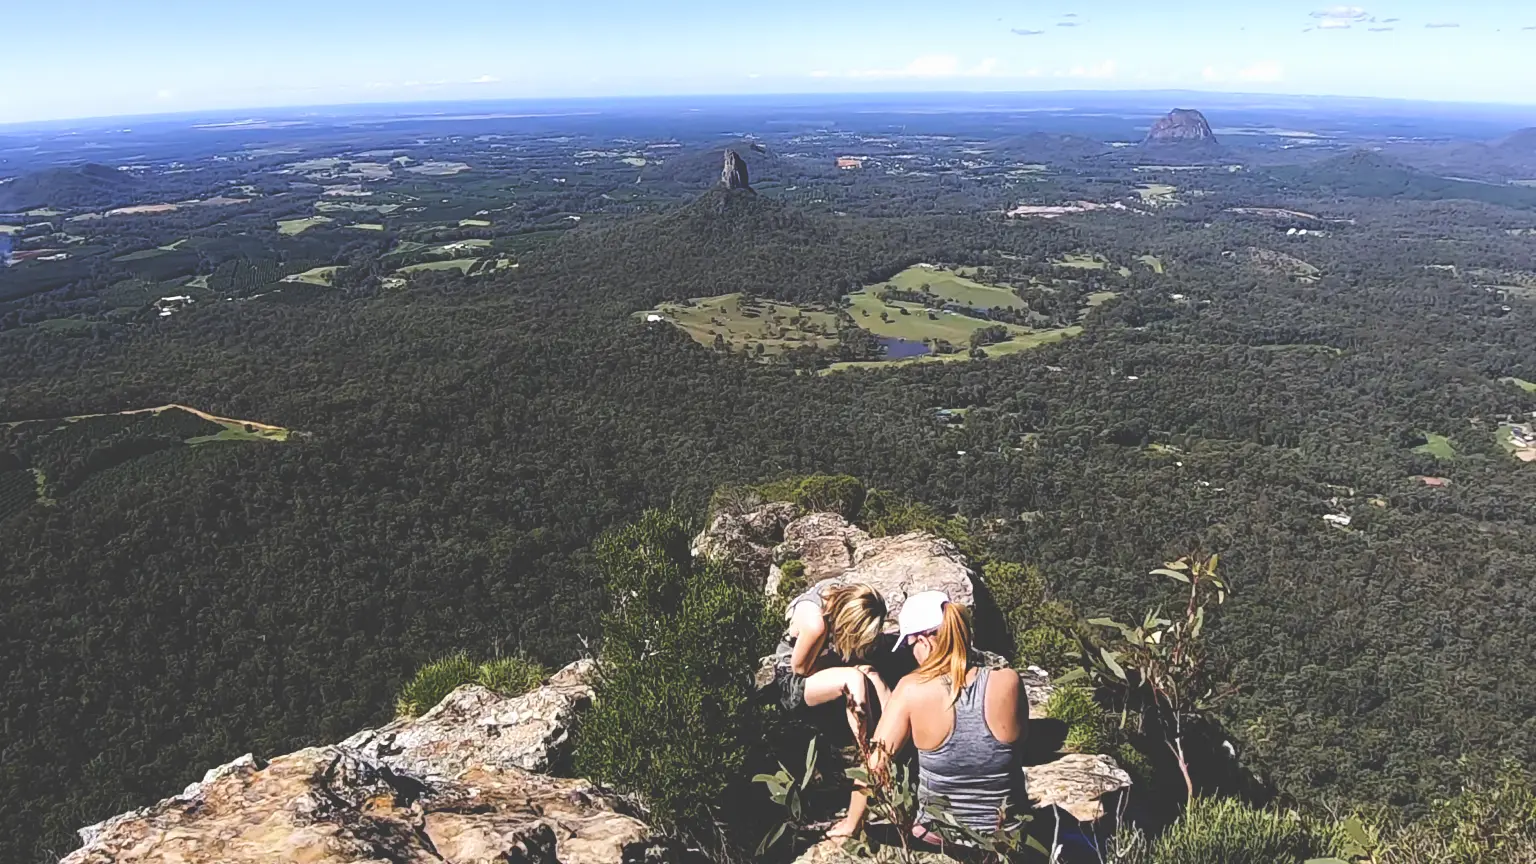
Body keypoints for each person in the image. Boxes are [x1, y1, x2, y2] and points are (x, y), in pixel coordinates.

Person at [857, 590, 1029, 845]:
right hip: (1007, 838)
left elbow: (875, 767)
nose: (911, 654)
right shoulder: (1008, 681)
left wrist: (851, 825)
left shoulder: (911, 689)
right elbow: (1019, 751)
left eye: (910, 645)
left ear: (924, 641)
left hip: (939, 837)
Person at [772, 580, 891, 838]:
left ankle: (888, 745)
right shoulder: (817, 624)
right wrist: (845, 670)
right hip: (791, 681)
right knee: (854, 679)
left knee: (872, 676)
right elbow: (800, 669)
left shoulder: (836, 595)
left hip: (820, 668)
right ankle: (867, 753)